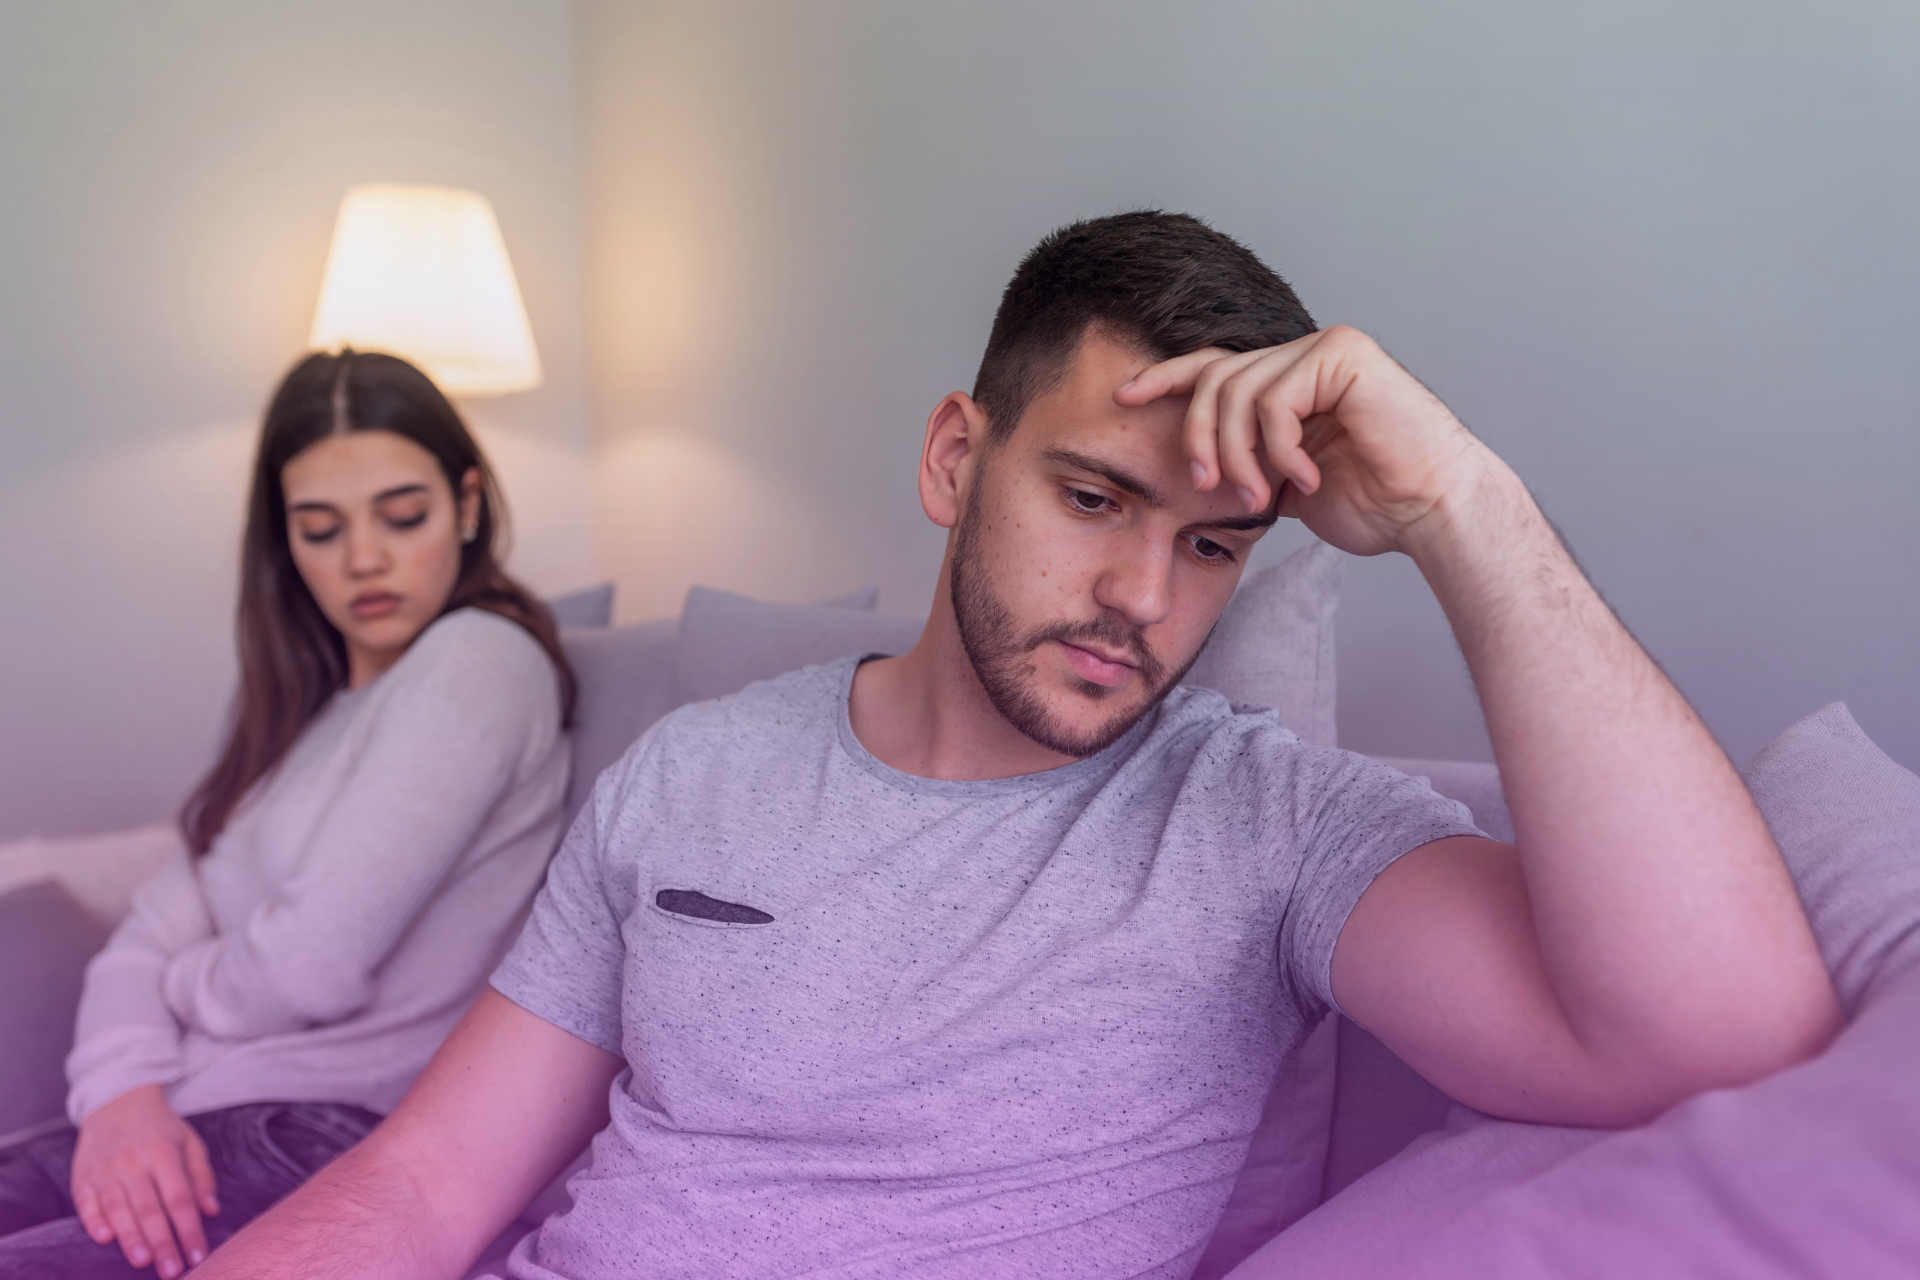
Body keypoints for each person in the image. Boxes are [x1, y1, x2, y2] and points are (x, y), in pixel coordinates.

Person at [198, 212, 1839, 1280]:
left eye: (1211, 546)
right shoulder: (692, 774)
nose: (1139, 595)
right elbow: (422, 1190)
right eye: (1094, 498)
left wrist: (1459, 505)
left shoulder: (1264, 823)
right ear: (953, 459)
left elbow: (1724, 1038)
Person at [0, 351, 576, 1280]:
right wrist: (120, 1095)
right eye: (319, 528)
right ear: (284, 540)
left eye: (404, 515)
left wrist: (177, 991)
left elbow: (308, 966)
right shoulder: (291, 712)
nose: (364, 558)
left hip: (322, 1133)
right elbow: (143, 935)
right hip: (188, 1109)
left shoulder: (479, 662)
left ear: (468, 503)